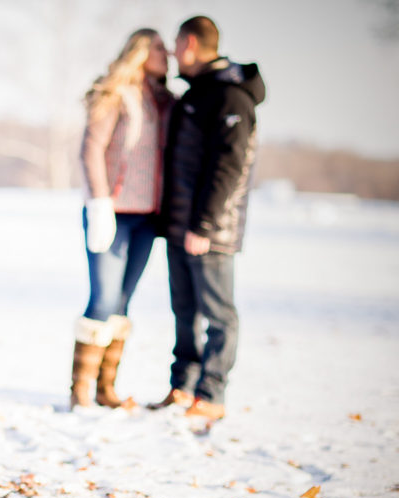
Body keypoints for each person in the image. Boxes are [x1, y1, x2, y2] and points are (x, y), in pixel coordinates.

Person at [151, 16, 266, 421]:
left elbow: (229, 167)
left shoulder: (230, 97)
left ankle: (212, 395)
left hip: (209, 232)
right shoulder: (197, 93)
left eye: (176, 44)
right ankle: (183, 387)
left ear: (193, 43)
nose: (172, 53)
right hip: (182, 228)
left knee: (218, 315)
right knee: (184, 310)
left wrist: (203, 225)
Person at [70, 28, 173, 409]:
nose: (169, 54)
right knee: (104, 299)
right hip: (110, 214)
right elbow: (91, 150)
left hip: (147, 216)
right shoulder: (113, 94)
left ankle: (105, 389)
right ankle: (80, 392)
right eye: (160, 48)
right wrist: (99, 203)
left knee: (123, 302)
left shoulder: (162, 101)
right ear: (141, 52)